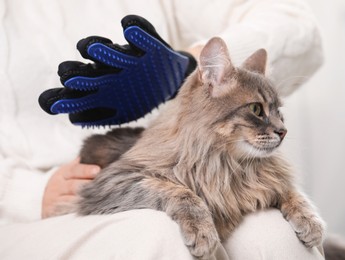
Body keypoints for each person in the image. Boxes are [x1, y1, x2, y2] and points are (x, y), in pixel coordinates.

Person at [0, 0, 324, 259]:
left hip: (191, 165)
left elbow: (297, 25)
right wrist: (25, 192)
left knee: (278, 238)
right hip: (33, 207)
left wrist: (192, 64)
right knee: (161, 237)